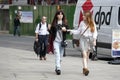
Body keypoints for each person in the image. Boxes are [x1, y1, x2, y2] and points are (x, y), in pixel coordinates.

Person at [68, 11, 97, 76]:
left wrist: (94, 40)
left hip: (89, 40)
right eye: (83, 15)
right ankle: (86, 68)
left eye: (84, 16)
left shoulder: (92, 23)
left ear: (87, 17)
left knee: (87, 56)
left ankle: (84, 68)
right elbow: (78, 31)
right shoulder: (81, 23)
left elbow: (95, 32)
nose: (82, 16)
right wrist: (71, 31)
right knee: (84, 54)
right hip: (82, 40)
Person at [49, 10, 69, 75]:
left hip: (62, 42)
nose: (60, 15)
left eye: (61, 14)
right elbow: (51, 33)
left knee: (60, 56)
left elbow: (68, 31)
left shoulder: (65, 23)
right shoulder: (54, 23)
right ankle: (58, 68)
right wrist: (49, 29)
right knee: (57, 54)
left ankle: (57, 66)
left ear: (63, 15)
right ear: (56, 15)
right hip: (56, 41)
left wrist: (65, 30)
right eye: (59, 14)